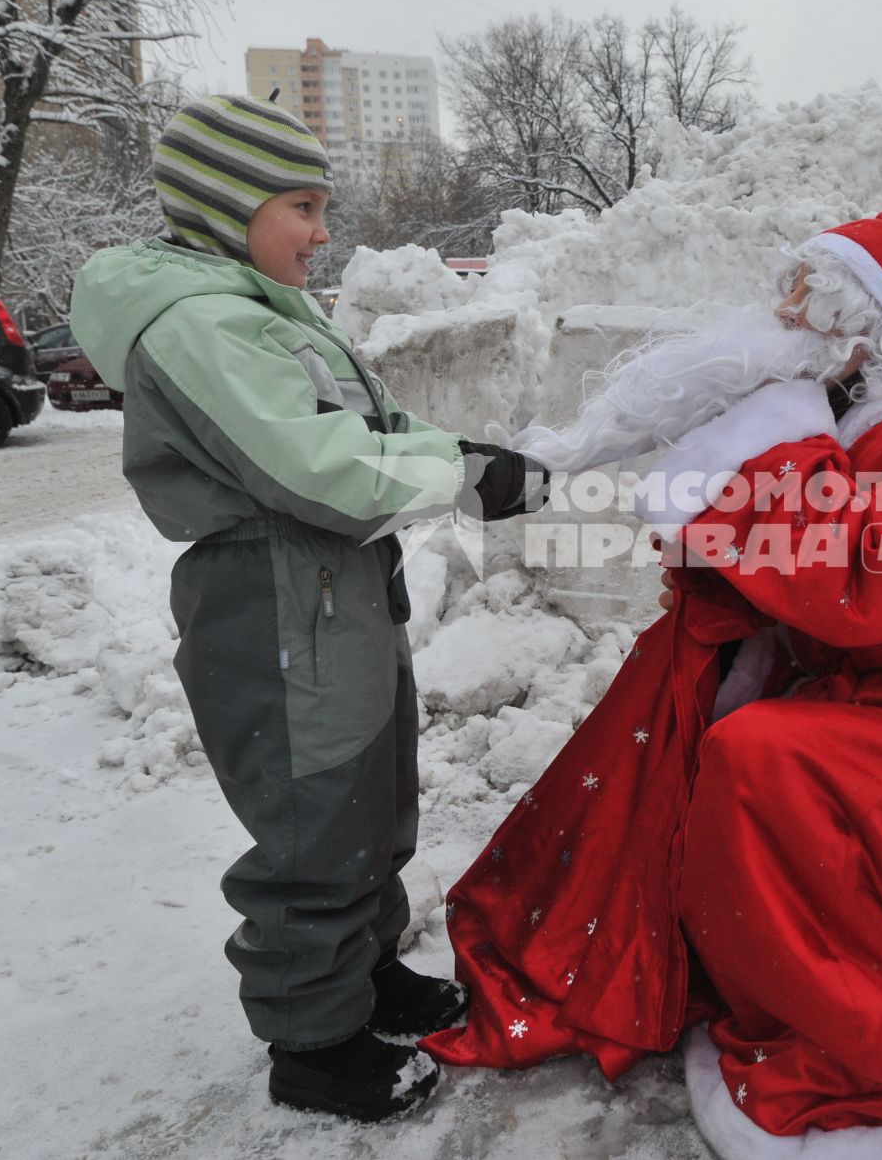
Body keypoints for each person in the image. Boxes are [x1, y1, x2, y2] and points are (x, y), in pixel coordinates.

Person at [423, 195, 882, 1159]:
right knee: (676, 709)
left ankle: (846, 1011)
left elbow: (867, 581)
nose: (782, 311)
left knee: (764, 758)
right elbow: (786, 573)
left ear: (865, 329)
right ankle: (719, 948)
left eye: (806, 295)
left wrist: (771, 450)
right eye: (786, 288)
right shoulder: (842, 416)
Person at [69, 94, 547, 1122]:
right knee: (313, 818)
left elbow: (369, 422)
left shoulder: (263, 315)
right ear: (223, 205)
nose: (322, 230)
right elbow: (310, 465)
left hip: (336, 588)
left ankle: (361, 974)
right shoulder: (197, 323)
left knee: (372, 796)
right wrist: (460, 477)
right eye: (301, 204)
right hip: (274, 592)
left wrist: (472, 456)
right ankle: (313, 1038)